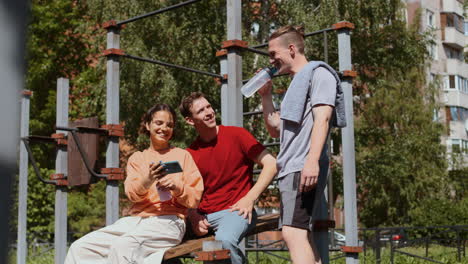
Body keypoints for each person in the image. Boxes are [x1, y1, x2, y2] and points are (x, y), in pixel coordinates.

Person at [64, 104, 204, 264]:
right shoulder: (137, 159)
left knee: (123, 247)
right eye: (159, 123)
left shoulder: (182, 156)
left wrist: (177, 187)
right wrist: (148, 179)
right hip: (136, 220)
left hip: (170, 221)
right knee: (81, 248)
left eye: (169, 125)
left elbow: (195, 198)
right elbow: (132, 194)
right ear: (148, 125)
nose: (164, 128)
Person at [256, 25, 345, 264]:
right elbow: (275, 130)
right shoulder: (296, 84)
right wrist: (266, 96)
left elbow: (323, 118)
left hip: (302, 165)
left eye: (274, 54)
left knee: (292, 232)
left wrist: (312, 161)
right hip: (291, 168)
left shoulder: (318, 74)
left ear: (292, 49)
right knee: (300, 232)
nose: (271, 60)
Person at [179, 92, 277, 264]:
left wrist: (249, 199)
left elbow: (271, 164)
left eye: (209, 106)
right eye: (201, 110)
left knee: (223, 242)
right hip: (204, 216)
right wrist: (193, 215)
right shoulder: (190, 153)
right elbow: (184, 192)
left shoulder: (237, 135)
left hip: (236, 210)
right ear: (190, 120)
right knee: (158, 242)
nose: (209, 112)